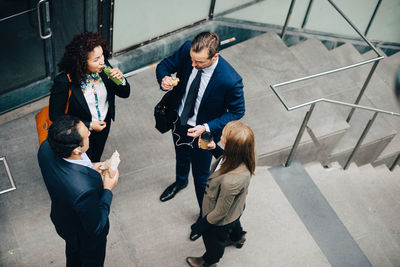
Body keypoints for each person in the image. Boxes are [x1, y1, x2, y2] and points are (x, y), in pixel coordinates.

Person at [156, 32, 245, 208]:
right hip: (179, 121)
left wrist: (206, 127)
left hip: (204, 134)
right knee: (180, 155)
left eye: (199, 62)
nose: (193, 64)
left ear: (215, 56)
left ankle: (203, 215)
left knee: (201, 177)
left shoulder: (230, 80)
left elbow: (237, 111)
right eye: (192, 59)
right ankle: (180, 182)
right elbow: (164, 66)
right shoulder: (188, 51)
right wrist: (164, 78)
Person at [37, 115, 119, 267]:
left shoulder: (46, 148)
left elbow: (64, 171)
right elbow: (95, 226)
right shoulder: (83, 191)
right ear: (75, 149)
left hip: (65, 222)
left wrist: (92, 167)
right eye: (85, 133)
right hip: (86, 237)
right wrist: (108, 188)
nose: (89, 132)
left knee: (73, 257)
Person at [49, 31, 130, 162]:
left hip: (104, 124)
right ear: (81, 62)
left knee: (96, 157)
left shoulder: (104, 68)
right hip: (79, 133)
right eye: (96, 59)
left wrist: (121, 80)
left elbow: (125, 93)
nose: (102, 62)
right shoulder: (64, 81)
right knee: (82, 161)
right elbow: (55, 116)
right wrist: (89, 125)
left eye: (102, 55)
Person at [186, 121, 256, 267]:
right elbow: (226, 160)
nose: (220, 136)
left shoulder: (230, 182)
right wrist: (214, 148)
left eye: (223, 136)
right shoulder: (244, 156)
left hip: (220, 221)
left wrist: (200, 225)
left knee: (214, 242)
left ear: (231, 147)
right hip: (236, 208)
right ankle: (238, 237)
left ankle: (209, 261)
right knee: (234, 221)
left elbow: (220, 212)